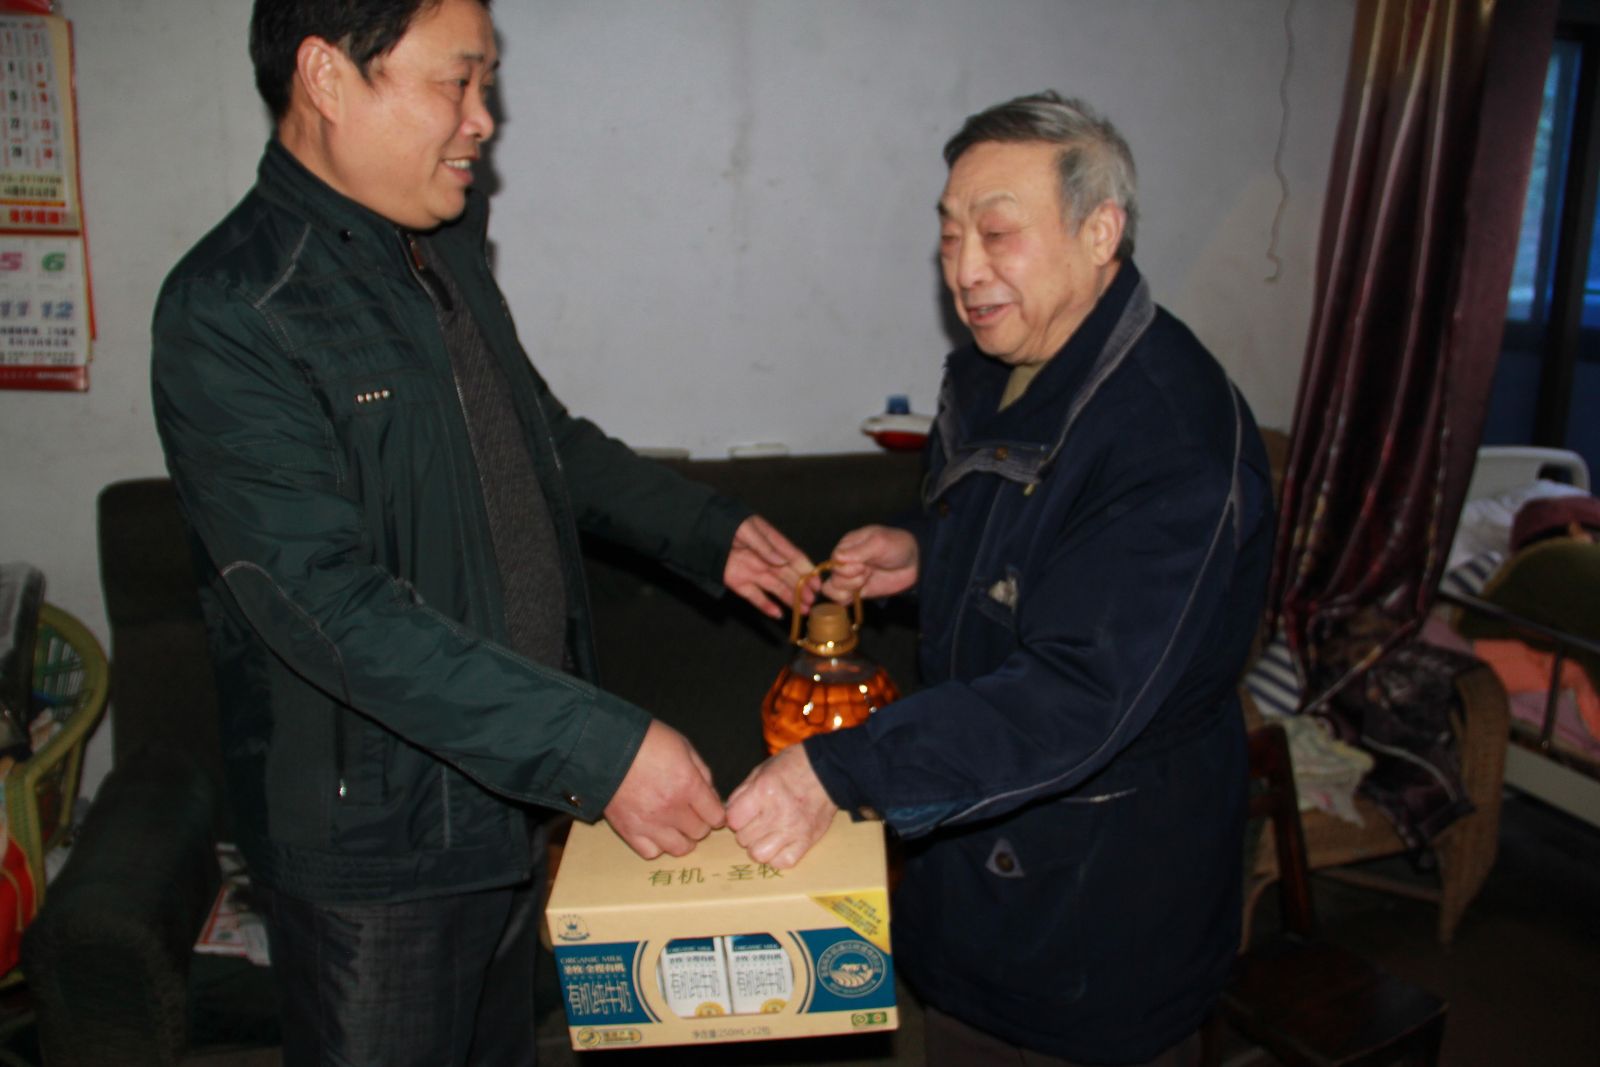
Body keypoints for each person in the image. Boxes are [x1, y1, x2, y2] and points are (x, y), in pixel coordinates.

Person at [150, 1, 810, 1063]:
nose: (483, 119)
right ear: (327, 78)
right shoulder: (235, 308)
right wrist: (598, 745)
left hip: (507, 802)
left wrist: (706, 529)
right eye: (454, 82)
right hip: (381, 860)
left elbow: (533, 435)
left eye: (486, 83)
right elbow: (327, 605)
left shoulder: (438, 245)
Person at [727, 92, 1276, 1066]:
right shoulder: (998, 366)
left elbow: (1077, 690)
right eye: (949, 236)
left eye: (996, 233)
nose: (964, 270)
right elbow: (1035, 547)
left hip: (1100, 900)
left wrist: (840, 770)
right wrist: (923, 552)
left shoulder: (1171, 433)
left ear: (1099, 233)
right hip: (976, 864)